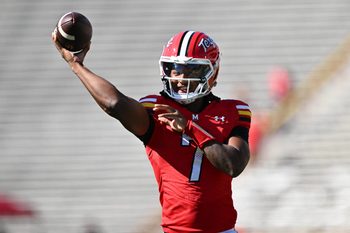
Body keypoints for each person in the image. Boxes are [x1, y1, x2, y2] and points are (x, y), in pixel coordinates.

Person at [51, 30, 251, 233]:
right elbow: (114, 103)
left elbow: (233, 165)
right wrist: (76, 65)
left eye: (190, 70)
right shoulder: (156, 109)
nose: (180, 78)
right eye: (174, 70)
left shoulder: (232, 111)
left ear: (211, 72)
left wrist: (191, 128)